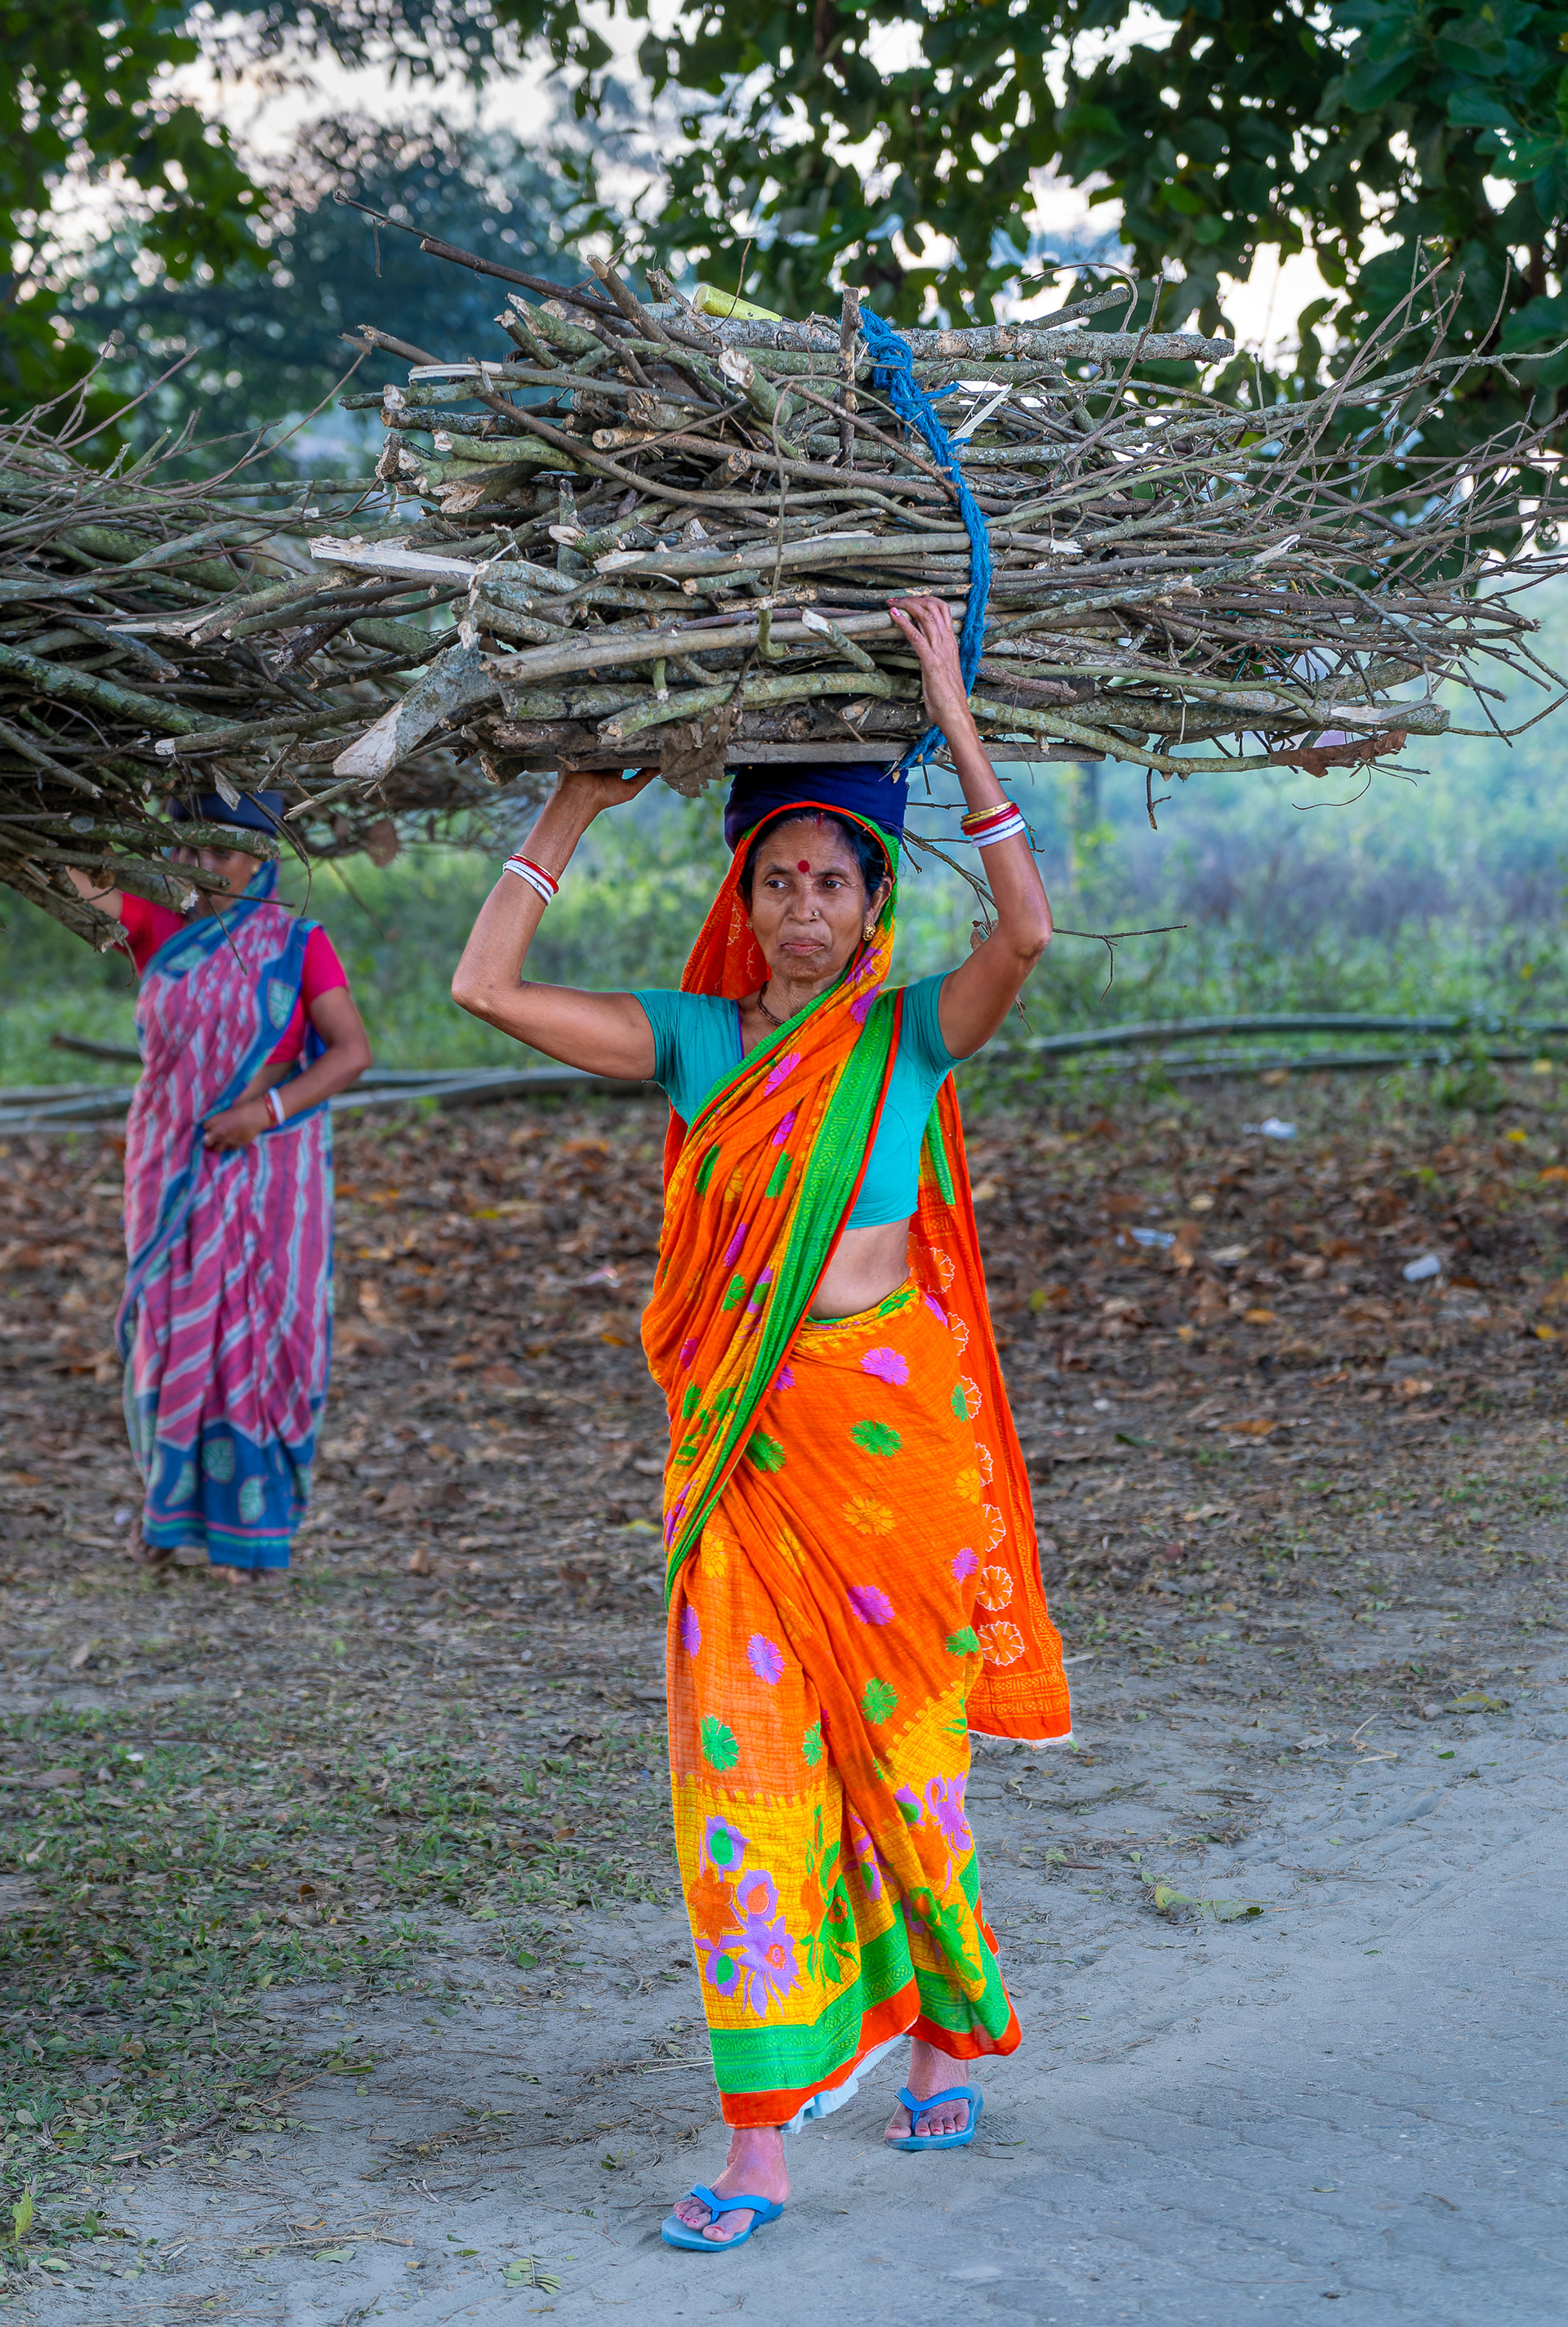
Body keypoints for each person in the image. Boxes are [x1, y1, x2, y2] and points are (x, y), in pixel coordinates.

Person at [452, 595, 1073, 2248]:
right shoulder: (698, 1045)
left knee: (903, 1766)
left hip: (896, 1461)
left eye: (834, 880)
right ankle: (759, 2147)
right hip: (740, 1465)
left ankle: (942, 2025)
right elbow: (484, 988)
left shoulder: (909, 1041)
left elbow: (1025, 938)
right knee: (740, 1784)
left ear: (874, 905)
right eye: (779, 879)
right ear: (746, 894)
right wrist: (572, 809)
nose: (804, 905)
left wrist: (952, 717)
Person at [65, 791, 370, 1584]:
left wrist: (262, 1113)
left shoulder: (299, 943)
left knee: (260, 1341)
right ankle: (168, 1515)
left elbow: (349, 1054)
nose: (204, 868)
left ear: (263, 857)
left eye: (222, 851)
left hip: (268, 1177)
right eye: (192, 851)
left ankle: (252, 1532)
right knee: (169, 1334)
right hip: (172, 1172)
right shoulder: (164, 932)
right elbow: (72, 868)